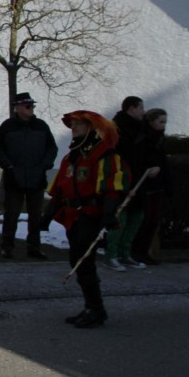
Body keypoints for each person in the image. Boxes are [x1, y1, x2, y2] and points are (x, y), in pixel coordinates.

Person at [42, 111, 126, 328]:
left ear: (91, 128)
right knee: (77, 260)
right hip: (72, 216)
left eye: (79, 124)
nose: (74, 127)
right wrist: (47, 217)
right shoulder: (71, 157)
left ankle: (96, 310)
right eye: (73, 124)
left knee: (84, 261)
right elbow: (59, 189)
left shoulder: (104, 154)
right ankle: (91, 307)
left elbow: (111, 188)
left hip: (90, 215)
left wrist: (108, 213)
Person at [0, 92, 58, 259]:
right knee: (11, 215)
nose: (31, 109)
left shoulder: (41, 126)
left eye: (32, 106)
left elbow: (52, 148)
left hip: (36, 177)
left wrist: (45, 164)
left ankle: (34, 247)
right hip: (15, 177)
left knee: (35, 215)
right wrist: (7, 165)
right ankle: (7, 247)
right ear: (18, 108)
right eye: (28, 106)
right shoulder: (8, 126)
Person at [108, 96, 148, 270]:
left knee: (136, 216)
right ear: (131, 109)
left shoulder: (140, 128)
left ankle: (125, 253)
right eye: (141, 108)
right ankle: (111, 255)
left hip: (138, 176)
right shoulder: (116, 127)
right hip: (121, 176)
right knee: (120, 217)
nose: (143, 111)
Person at [131, 108, 169, 265]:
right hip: (144, 184)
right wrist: (151, 167)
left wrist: (159, 167)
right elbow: (139, 159)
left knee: (154, 220)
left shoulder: (161, 138)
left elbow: (163, 160)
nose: (164, 125)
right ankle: (135, 251)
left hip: (157, 184)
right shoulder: (143, 137)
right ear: (151, 121)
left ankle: (144, 251)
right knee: (144, 219)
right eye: (161, 122)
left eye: (165, 122)